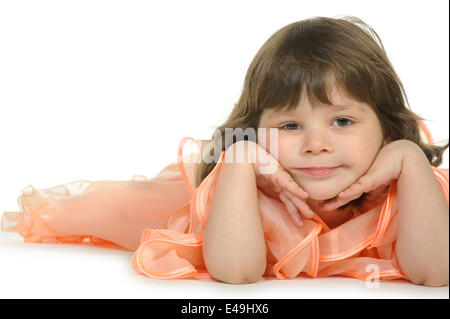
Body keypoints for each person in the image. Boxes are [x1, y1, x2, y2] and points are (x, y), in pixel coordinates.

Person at [2, 16, 448, 286]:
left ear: (387, 128)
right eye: (290, 125)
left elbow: (436, 273)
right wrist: (237, 160)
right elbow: (236, 273)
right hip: (209, 197)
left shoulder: (408, 185)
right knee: (112, 209)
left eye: (342, 121)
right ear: (257, 133)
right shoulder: (244, 182)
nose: (316, 144)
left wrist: (410, 159)